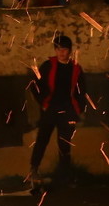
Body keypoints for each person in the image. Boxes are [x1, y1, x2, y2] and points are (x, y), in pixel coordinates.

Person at [29, 34, 85, 185]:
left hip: (67, 110)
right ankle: (34, 170)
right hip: (50, 108)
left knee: (65, 144)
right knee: (42, 139)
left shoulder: (76, 68)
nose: (61, 52)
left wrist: (80, 109)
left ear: (70, 51)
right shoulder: (48, 66)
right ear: (55, 50)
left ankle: (64, 174)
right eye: (58, 49)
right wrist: (43, 102)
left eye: (64, 49)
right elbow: (35, 84)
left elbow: (81, 90)